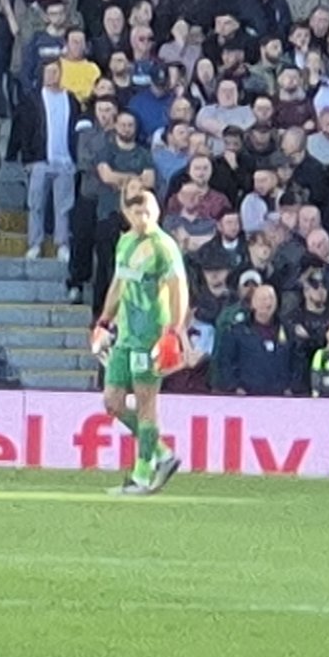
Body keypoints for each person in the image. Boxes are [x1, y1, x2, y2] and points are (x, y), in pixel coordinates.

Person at [89, 182, 189, 495]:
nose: (142, 217)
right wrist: (104, 320)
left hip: (150, 334)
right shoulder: (125, 243)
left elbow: (178, 288)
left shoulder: (163, 246)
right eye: (136, 211)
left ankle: (142, 475)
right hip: (125, 334)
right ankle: (161, 453)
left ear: (156, 212)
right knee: (113, 401)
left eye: (147, 211)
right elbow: (118, 283)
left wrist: (174, 329)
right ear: (127, 213)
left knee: (147, 403)